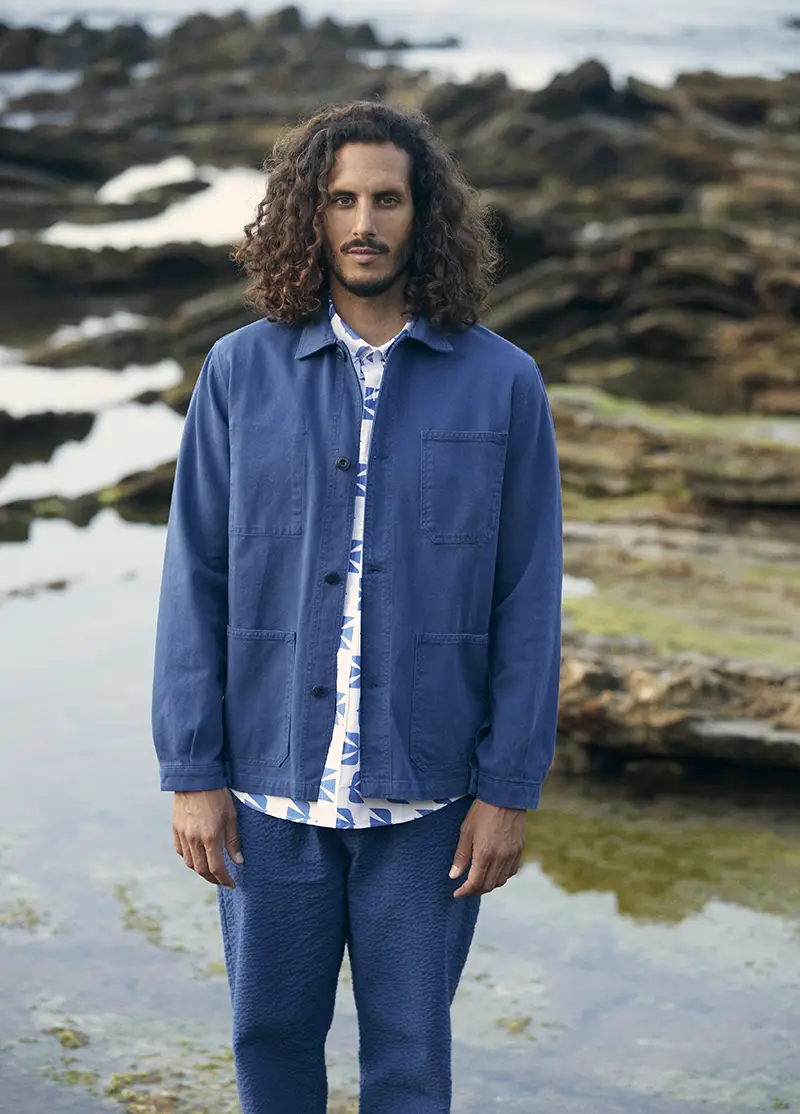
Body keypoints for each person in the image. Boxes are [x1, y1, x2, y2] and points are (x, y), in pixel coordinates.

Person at [152, 100, 563, 1114]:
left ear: (423, 213)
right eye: (340, 199)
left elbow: (527, 598)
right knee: (269, 1042)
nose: (363, 221)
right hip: (266, 791)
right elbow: (192, 577)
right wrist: (191, 771)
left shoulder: (503, 384)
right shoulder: (239, 372)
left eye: (386, 197)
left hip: (427, 803)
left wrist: (508, 786)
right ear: (309, 214)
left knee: (412, 1061)